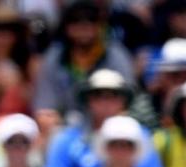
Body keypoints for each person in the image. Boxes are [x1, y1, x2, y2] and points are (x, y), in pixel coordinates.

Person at [44, 69, 164, 167]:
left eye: (113, 95)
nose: (105, 102)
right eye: (98, 95)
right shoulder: (65, 140)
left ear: (124, 101)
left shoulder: (141, 137)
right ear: (88, 100)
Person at [31, 0, 135, 133]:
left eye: (91, 20)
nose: (84, 26)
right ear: (66, 27)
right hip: (66, 130)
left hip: (110, 129)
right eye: (76, 21)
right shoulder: (54, 58)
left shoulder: (116, 55)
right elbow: (44, 109)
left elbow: (127, 104)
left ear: (100, 26)